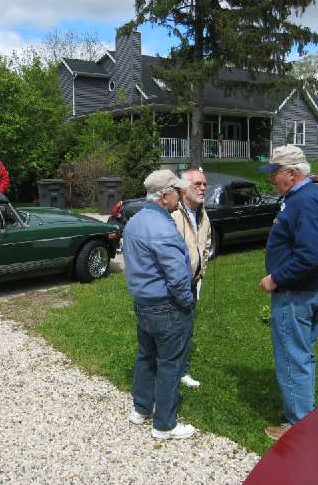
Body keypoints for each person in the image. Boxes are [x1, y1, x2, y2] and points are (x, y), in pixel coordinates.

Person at [259, 144, 318, 441]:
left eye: (275, 172)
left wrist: (276, 278)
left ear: (291, 174)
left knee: (292, 357)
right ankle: (305, 415)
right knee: (302, 355)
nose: (271, 179)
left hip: (297, 293)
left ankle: (299, 427)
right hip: (314, 289)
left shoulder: (303, 202)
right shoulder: (314, 196)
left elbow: (311, 255)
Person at [124, 169, 196, 440]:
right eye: (177, 191)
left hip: (142, 302)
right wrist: (187, 303)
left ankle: (141, 409)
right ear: (164, 196)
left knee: (146, 355)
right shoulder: (163, 228)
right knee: (170, 364)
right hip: (166, 305)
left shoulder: (135, 221)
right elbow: (177, 277)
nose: (181, 195)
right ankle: (165, 425)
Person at [171, 169, 212, 389]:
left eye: (205, 184)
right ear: (184, 188)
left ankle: (182, 370)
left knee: (186, 327)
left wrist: (200, 273)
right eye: (198, 184)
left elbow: (205, 245)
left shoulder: (202, 214)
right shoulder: (173, 214)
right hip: (173, 285)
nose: (203, 188)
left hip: (192, 283)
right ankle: (166, 371)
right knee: (171, 329)